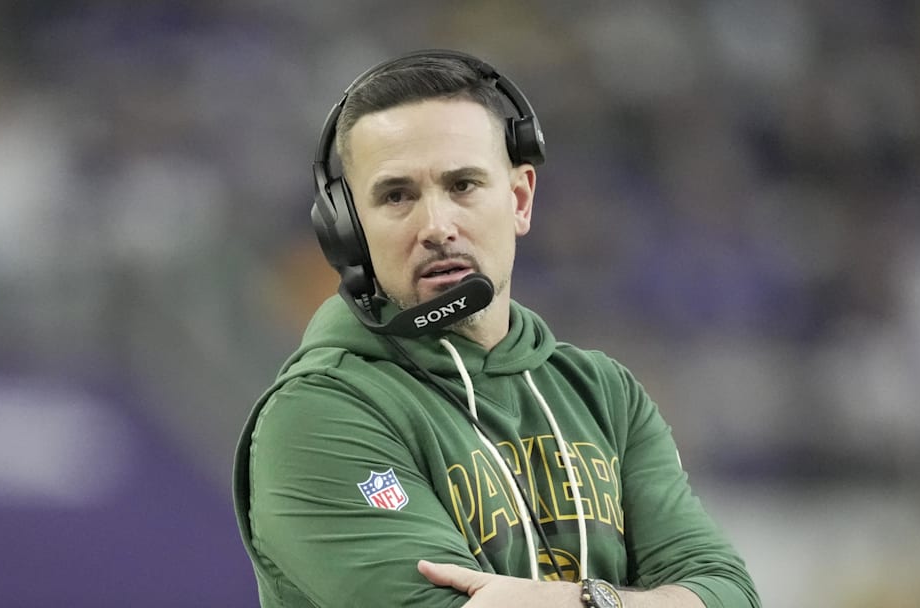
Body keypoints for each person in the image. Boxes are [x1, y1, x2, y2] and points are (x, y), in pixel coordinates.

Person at [232, 49, 760, 608]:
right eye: (396, 196)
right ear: (348, 231)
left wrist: (578, 601)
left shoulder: (606, 394)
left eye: (463, 185)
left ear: (519, 200)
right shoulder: (316, 416)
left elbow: (729, 593)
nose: (437, 226)